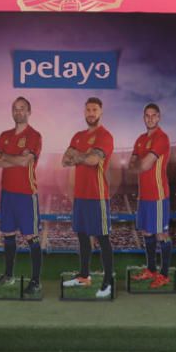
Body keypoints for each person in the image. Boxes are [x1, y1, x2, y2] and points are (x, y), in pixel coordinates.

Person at [61, 97, 115, 298]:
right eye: (88, 110)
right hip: (80, 196)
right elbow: (64, 160)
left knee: (102, 238)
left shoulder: (105, 136)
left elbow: (93, 160)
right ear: (84, 113)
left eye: (94, 109)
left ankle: (108, 282)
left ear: (101, 112)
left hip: (97, 195)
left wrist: (78, 155)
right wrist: (82, 155)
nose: (91, 113)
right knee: (82, 236)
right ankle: (84, 276)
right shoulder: (78, 135)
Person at [0, 97, 44, 294]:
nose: (18, 112)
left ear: (29, 112)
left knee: (31, 237)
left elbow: (24, 162)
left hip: (26, 194)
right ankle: (9, 275)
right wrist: (14, 158)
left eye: (22, 109)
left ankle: (36, 280)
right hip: (7, 193)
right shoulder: (4, 135)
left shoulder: (34, 136)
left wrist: (6, 157)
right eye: (15, 108)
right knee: (8, 235)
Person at [129, 103, 173, 289]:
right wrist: (141, 161)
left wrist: (141, 161)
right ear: (143, 117)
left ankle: (164, 274)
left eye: (153, 115)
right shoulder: (140, 139)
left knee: (161, 233)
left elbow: (145, 165)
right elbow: (132, 165)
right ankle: (151, 269)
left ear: (159, 117)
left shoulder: (162, 138)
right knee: (147, 231)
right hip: (144, 195)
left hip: (158, 194)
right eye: (147, 115)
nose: (150, 119)